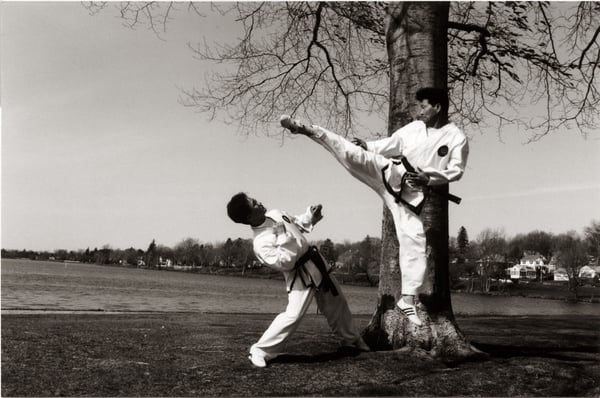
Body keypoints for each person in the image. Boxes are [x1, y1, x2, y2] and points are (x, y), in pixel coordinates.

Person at [280, 87, 469, 326]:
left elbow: (456, 170)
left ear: (438, 107)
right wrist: (367, 146)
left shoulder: (456, 137)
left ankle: (407, 299)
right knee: (350, 153)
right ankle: (305, 129)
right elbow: (392, 144)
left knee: (415, 238)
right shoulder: (414, 128)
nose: (419, 112)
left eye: (423, 107)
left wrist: (430, 178)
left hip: (409, 193)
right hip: (389, 172)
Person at [226, 192, 369, 368]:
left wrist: (310, 216)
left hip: (316, 263)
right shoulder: (260, 242)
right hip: (298, 275)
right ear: (249, 216)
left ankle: (351, 340)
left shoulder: (276, 214)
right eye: (254, 203)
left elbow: (297, 223)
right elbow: (285, 262)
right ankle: (260, 350)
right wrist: (282, 236)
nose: (259, 202)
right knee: (293, 315)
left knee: (337, 303)